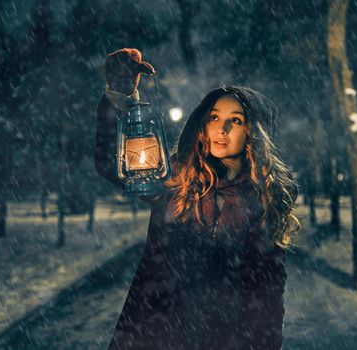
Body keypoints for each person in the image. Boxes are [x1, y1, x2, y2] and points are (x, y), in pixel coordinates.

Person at [95, 48, 299, 350]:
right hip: (155, 332)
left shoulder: (265, 197)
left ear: (253, 134)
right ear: (203, 125)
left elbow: (269, 292)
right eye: (214, 117)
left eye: (236, 120)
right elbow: (110, 164)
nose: (222, 128)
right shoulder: (176, 179)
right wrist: (120, 97)